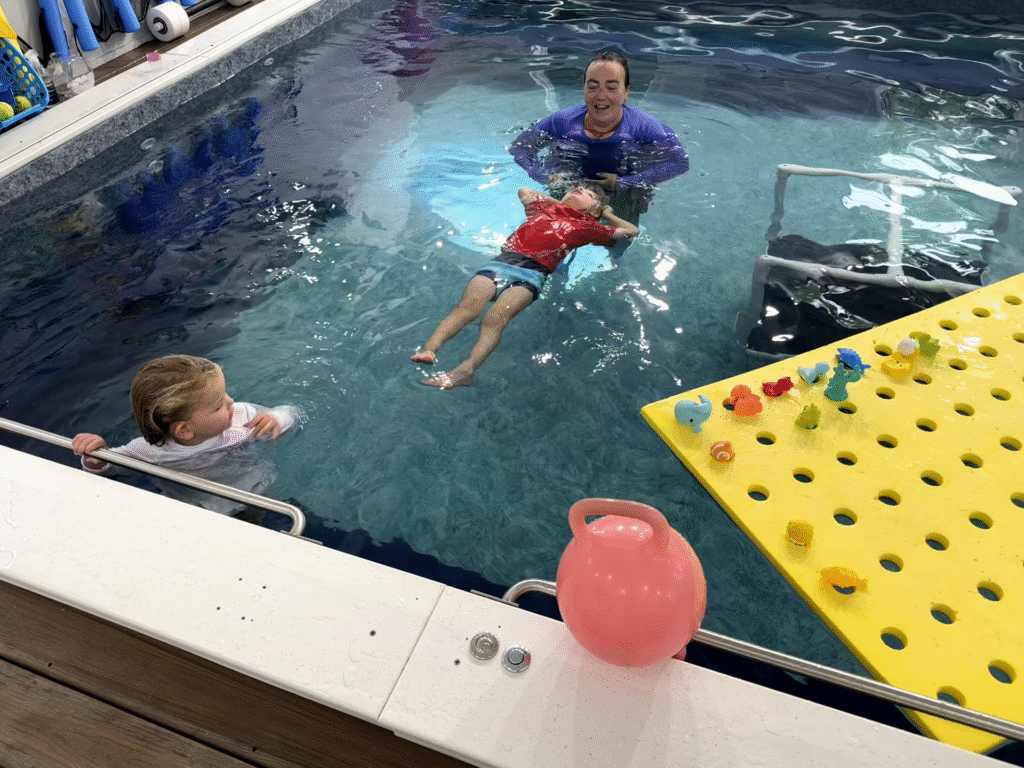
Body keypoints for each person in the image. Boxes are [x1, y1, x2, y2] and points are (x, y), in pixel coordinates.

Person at [409, 185, 638, 389]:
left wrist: (606, 214)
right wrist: (561, 204)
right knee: (467, 307)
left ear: (595, 210)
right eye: (577, 189)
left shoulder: (589, 226)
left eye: (588, 194)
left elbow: (631, 231)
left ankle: (464, 371)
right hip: (502, 263)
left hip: (532, 274)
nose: (580, 190)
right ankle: (430, 349)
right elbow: (524, 191)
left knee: (494, 321)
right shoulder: (542, 210)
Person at [72, 354, 303, 517]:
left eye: (225, 394)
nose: (231, 402)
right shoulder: (150, 451)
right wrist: (97, 458)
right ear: (184, 430)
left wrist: (276, 419)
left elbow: (290, 414)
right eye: (218, 405)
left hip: (254, 488)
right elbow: (113, 465)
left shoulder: (242, 417)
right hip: (200, 507)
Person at [509, 51, 689, 222]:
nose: (601, 96)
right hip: (569, 192)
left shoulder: (645, 127)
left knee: (618, 243)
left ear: (626, 92)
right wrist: (546, 177)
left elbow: (679, 162)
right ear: (584, 89)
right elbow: (520, 148)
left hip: (624, 195)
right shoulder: (562, 122)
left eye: (611, 87)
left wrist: (624, 183)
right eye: (593, 87)